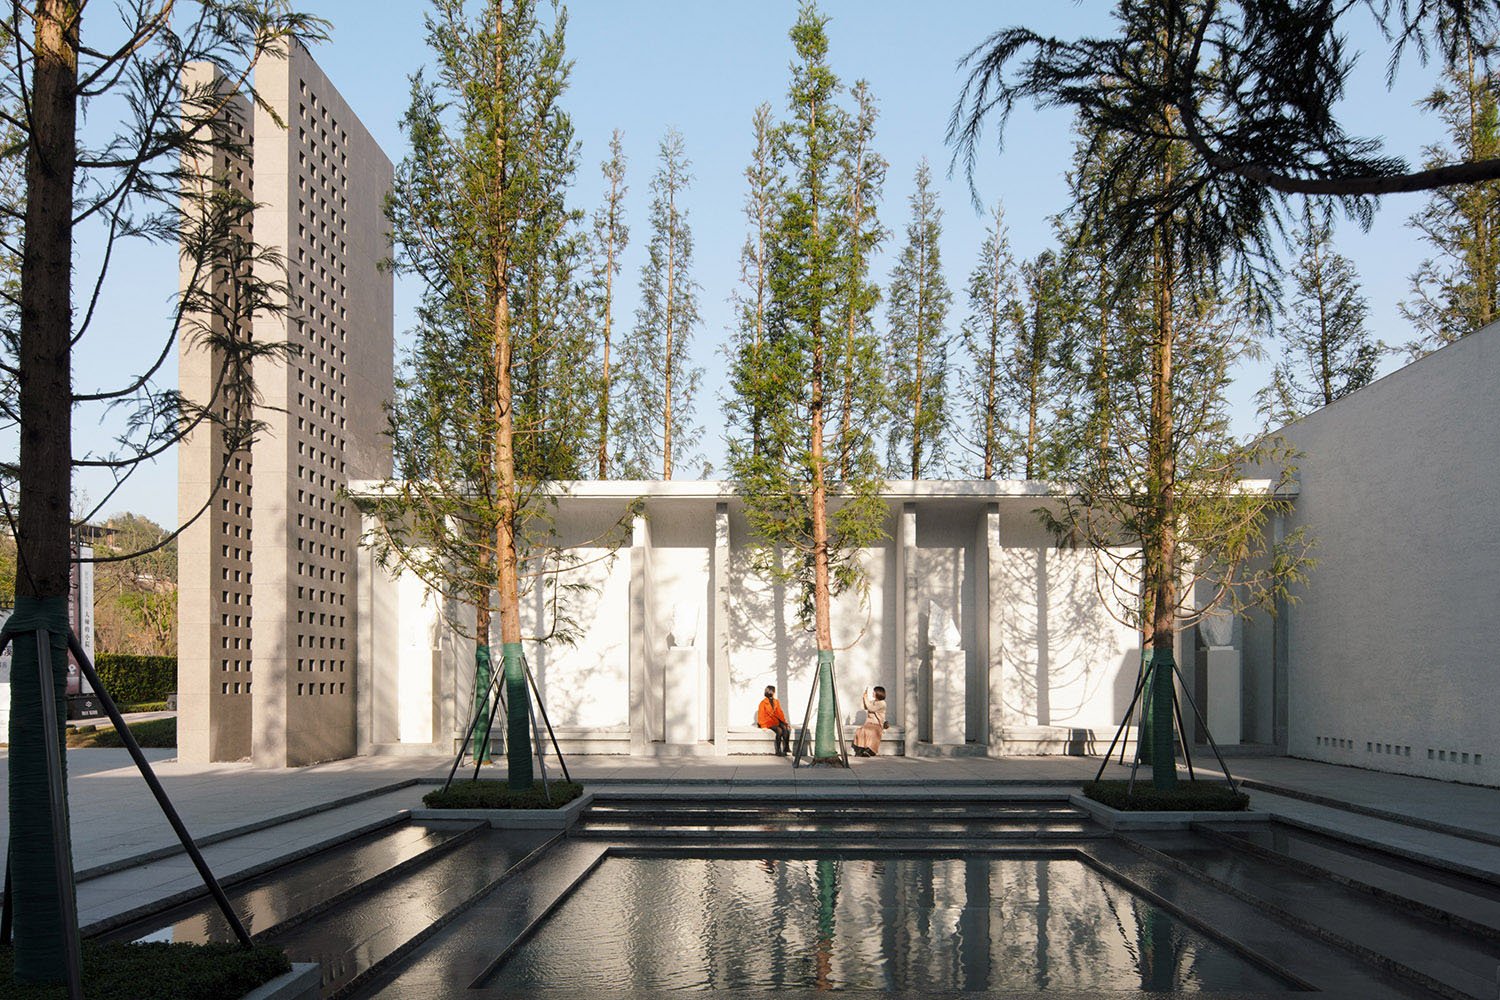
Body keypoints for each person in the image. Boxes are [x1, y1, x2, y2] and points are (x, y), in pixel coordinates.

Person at [853, 685, 888, 757]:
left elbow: (871, 708)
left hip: (877, 724)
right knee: (860, 731)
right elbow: (865, 707)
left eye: (874, 692)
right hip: (869, 723)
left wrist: (866, 698)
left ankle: (871, 750)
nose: (873, 693)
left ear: (878, 693)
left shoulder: (882, 703)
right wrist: (864, 697)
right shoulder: (873, 701)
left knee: (871, 732)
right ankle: (861, 749)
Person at [757, 684, 792, 756]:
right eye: (772, 691)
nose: (773, 693)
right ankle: (778, 751)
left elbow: (780, 712)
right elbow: (761, 714)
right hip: (768, 722)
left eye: (773, 691)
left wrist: (785, 722)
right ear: (768, 692)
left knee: (786, 728)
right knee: (779, 731)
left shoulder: (776, 701)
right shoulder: (763, 703)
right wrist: (763, 725)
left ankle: (786, 747)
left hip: (776, 720)